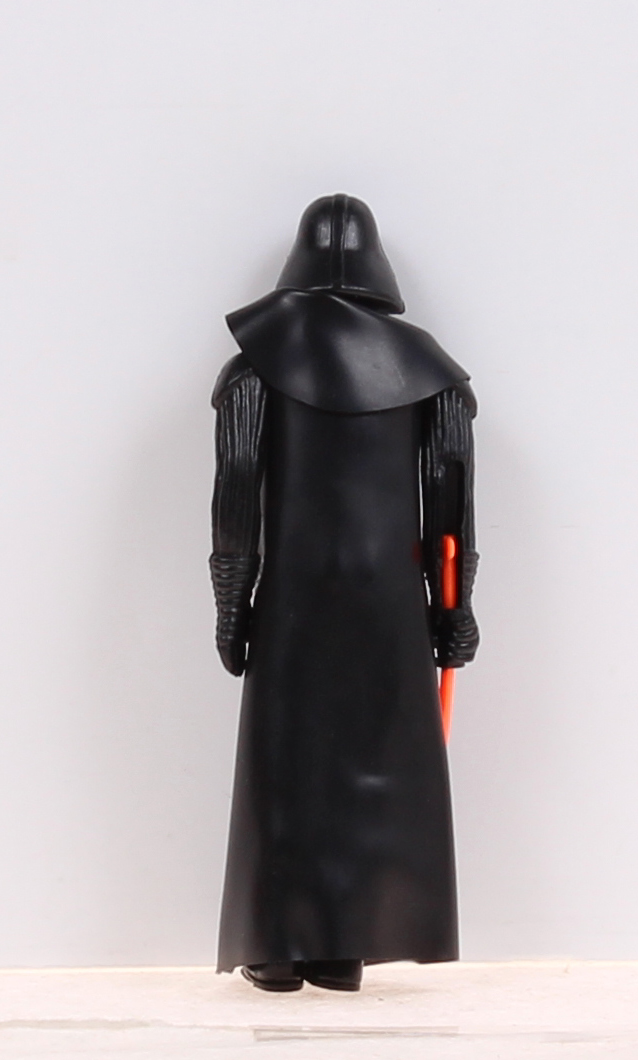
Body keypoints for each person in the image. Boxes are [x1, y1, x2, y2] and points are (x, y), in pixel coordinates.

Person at [209, 194, 479, 992]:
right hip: (391, 604)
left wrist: (232, 602)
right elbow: (451, 501)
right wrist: (453, 610)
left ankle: (279, 948)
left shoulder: (254, 369)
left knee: (286, 770)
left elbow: (237, 489)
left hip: (294, 597)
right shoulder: (430, 373)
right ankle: (344, 948)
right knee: (376, 774)